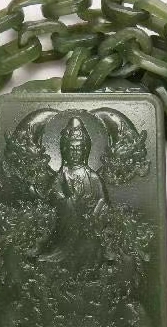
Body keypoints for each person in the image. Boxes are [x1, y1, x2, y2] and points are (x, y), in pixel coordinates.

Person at [28, 116, 109, 272]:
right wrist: (71, 200)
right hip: (67, 226)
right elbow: (55, 197)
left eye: (78, 148)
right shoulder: (61, 175)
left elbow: (102, 199)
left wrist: (93, 214)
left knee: (91, 245)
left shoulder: (92, 177)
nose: (75, 152)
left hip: (88, 225)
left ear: (85, 150)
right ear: (65, 150)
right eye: (71, 149)